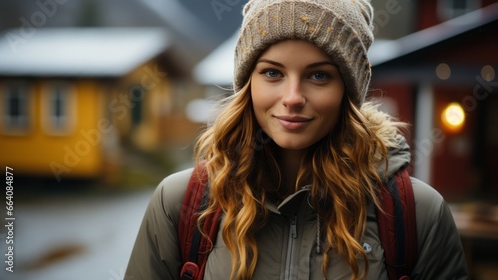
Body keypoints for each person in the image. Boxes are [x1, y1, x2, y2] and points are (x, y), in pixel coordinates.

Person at [125, 0, 469, 279]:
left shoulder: (416, 213)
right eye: (272, 72)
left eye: (318, 75)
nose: (292, 97)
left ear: (348, 91)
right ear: (248, 82)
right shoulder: (181, 205)